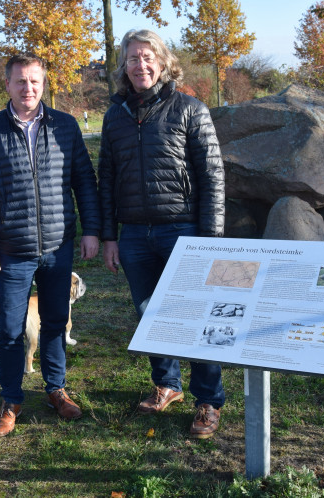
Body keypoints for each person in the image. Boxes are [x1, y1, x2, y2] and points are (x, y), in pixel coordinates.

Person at [98, 29, 226, 439]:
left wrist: (210, 241)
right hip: (134, 234)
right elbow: (107, 179)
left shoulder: (190, 109)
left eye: (147, 57)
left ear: (163, 62)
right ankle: (167, 384)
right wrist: (109, 236)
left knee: (198, 316)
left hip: (183, 230)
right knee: (150, 316)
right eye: (132, 58)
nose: (140, 65)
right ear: (124, 67)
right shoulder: (114, 115)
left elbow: (213, 178)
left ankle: (208, 401)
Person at [0, 52, 100, 437]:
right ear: (7, 85)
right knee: (10, 329)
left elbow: (84, 182)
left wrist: (91, 230)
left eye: (35, 81)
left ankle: (56, 389)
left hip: (58, 247)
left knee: (56, 322)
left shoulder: (66, 126)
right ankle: (11, 398)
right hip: (9, 250)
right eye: (20, 81)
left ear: (44, 84)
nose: (28, 88)